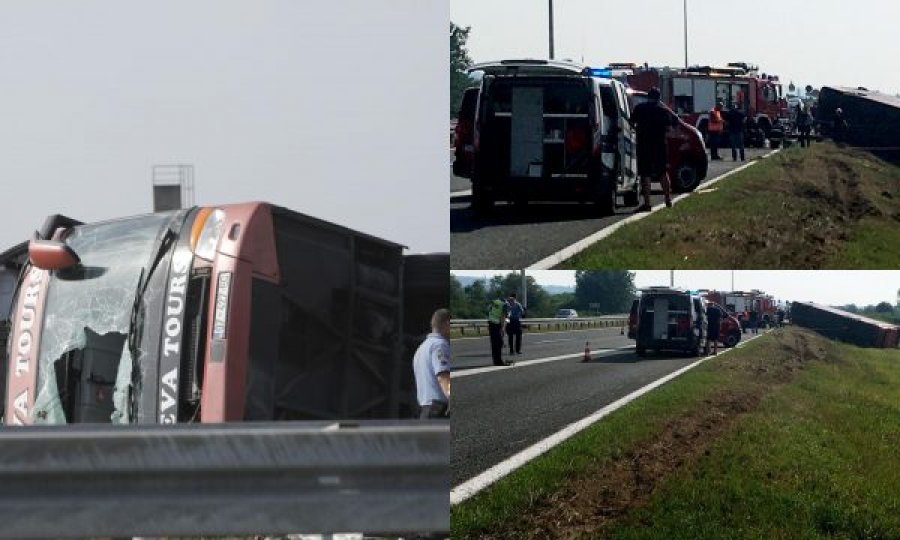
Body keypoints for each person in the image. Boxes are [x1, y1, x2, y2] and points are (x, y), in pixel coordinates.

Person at [629, 87, 679, 211]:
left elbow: (631, 123)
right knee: (662, 172)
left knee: (645, 174)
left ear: (648, 97)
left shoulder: (640, 108)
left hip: (644, 144)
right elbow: (671, 126)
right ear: (658, 98)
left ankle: (647, 203)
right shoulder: (663, 111)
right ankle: (668, 199)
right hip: (660, 145)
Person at [412, 309, 451, 419]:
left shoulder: (421, 348)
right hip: (439, 410)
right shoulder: (440, 345)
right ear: (447, 324)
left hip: (424, 410)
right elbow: (443, 377)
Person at [487, 297, 511, 366]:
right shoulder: (506, 305)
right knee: (499, 343)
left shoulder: (495, 301)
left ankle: (496, 360)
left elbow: (489, 310)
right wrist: (503, 328)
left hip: (491, 322)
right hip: (497, 324)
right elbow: (504, 317)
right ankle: (499, 361)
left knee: (494, 343)